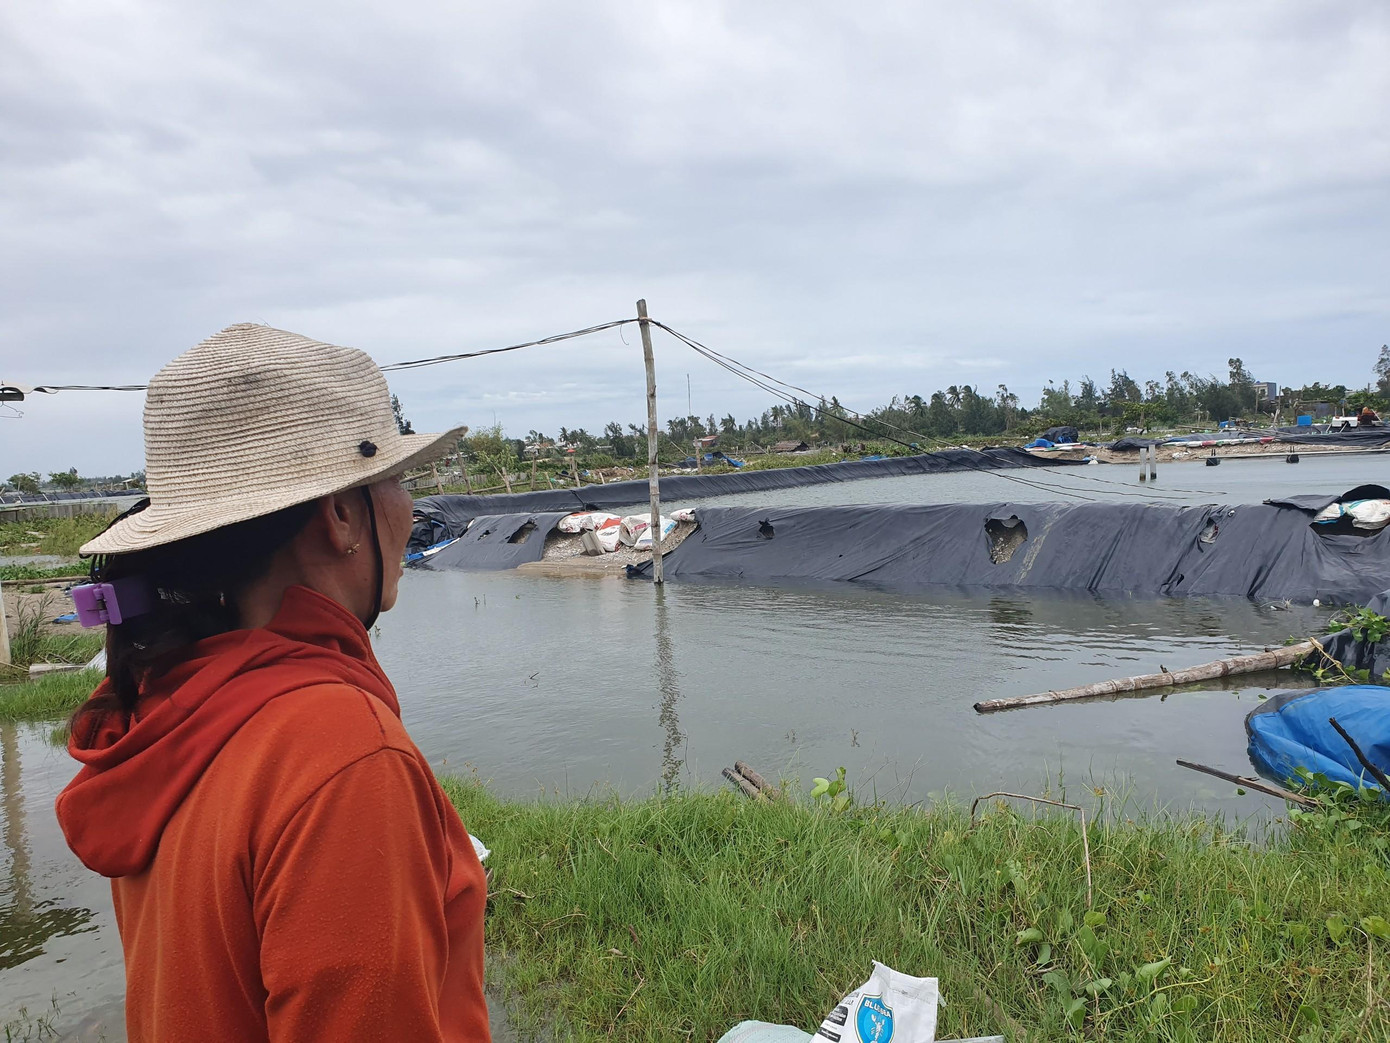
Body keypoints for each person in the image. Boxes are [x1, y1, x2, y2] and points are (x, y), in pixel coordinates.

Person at [54, 324, 490, 1042]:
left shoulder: (166, 710)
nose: (410, 512)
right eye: (398, 481)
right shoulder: (342, 753)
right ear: (343, 516)